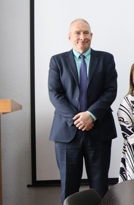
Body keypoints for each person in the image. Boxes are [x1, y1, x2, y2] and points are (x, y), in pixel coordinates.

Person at [48, 19, 117, 203]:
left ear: (91, 36)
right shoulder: (57, 61)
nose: (82, 37)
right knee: (69, 188)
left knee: (100, 187)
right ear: (69, 37)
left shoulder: (106, 59)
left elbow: (111, 90)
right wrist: (77, 119)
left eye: (86, 33)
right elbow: (55, 94)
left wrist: (91, 115)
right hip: (67, 134)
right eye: (77, 33)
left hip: (99, 130)